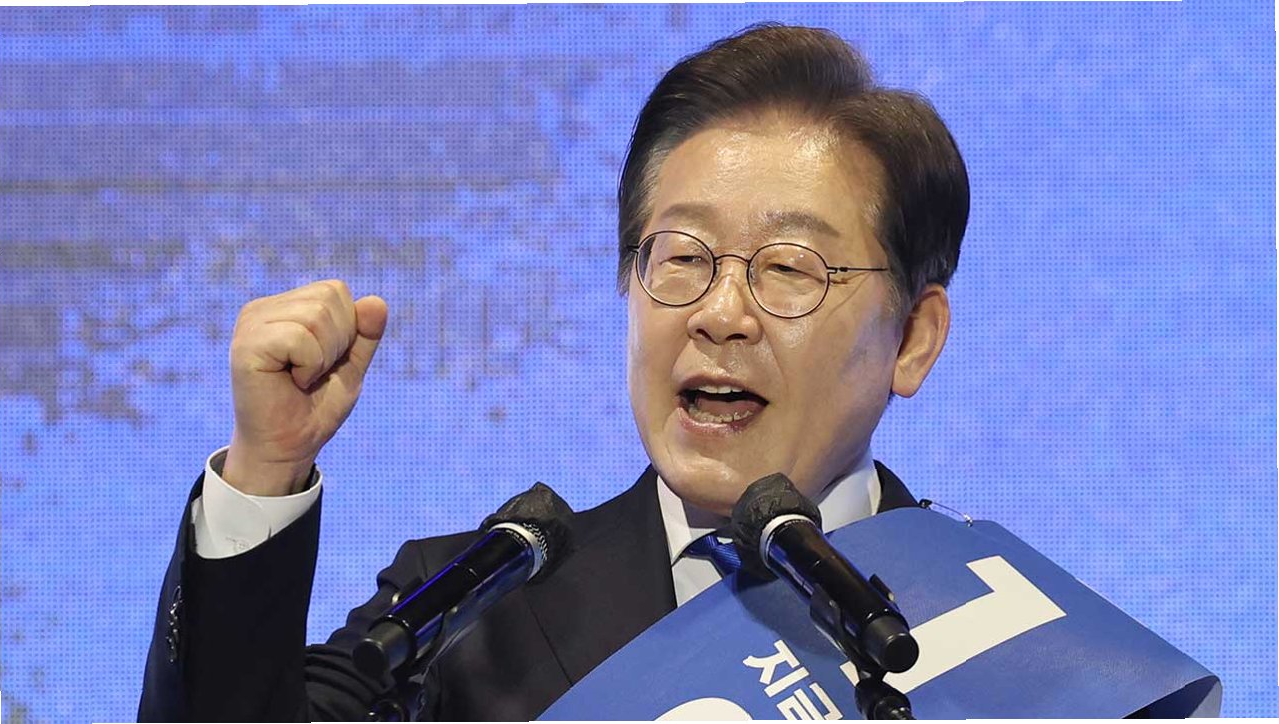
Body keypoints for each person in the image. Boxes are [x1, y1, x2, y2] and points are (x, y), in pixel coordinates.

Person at [138, 22, 968, 721]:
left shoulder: (1002, 613)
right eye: (683, 257)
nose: (720, 312)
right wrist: (267, 468)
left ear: (913, 339)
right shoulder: (471, 613)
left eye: (788, 267)